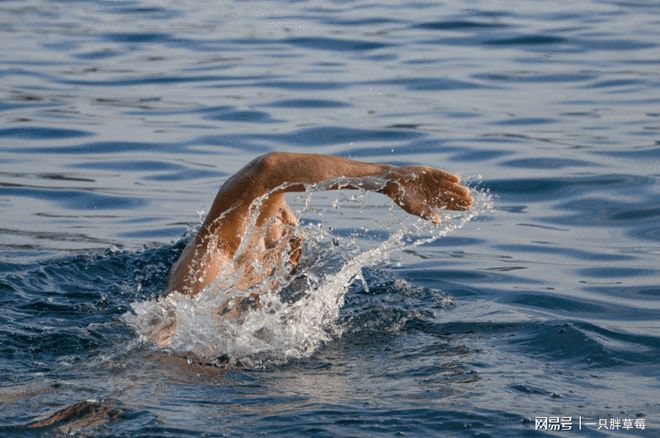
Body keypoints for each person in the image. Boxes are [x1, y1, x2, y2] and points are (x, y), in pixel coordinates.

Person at [166, 152, 473, 301]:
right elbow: (269, 170)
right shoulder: (214, 254)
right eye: (277, 213)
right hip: (174, 363)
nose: (289, 224)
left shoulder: (265, 288)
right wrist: (387, 178)